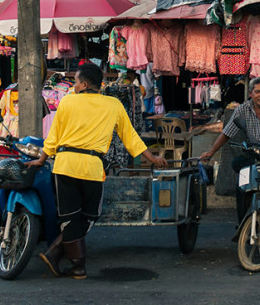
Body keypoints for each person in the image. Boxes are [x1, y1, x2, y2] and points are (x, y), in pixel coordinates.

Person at [27, 63, 167, 279]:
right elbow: (131, 138)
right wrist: (153, 158)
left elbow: (54, 136)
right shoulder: (113, 104)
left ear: (84, 84)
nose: (73, 86)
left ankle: (63, 257)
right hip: (92, 168)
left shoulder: (67, 102)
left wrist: (41, 159)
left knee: (70, 217)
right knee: (90, 216)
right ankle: (75, 265)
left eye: (75, 82)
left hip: (65, 165)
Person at [199, 76, 260, 219]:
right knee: (242, 182)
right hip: (256, 152)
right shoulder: (242, 110)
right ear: (250, 93)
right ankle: (242, 219)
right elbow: (226, 134)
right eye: (257, 92)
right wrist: (211, 152)